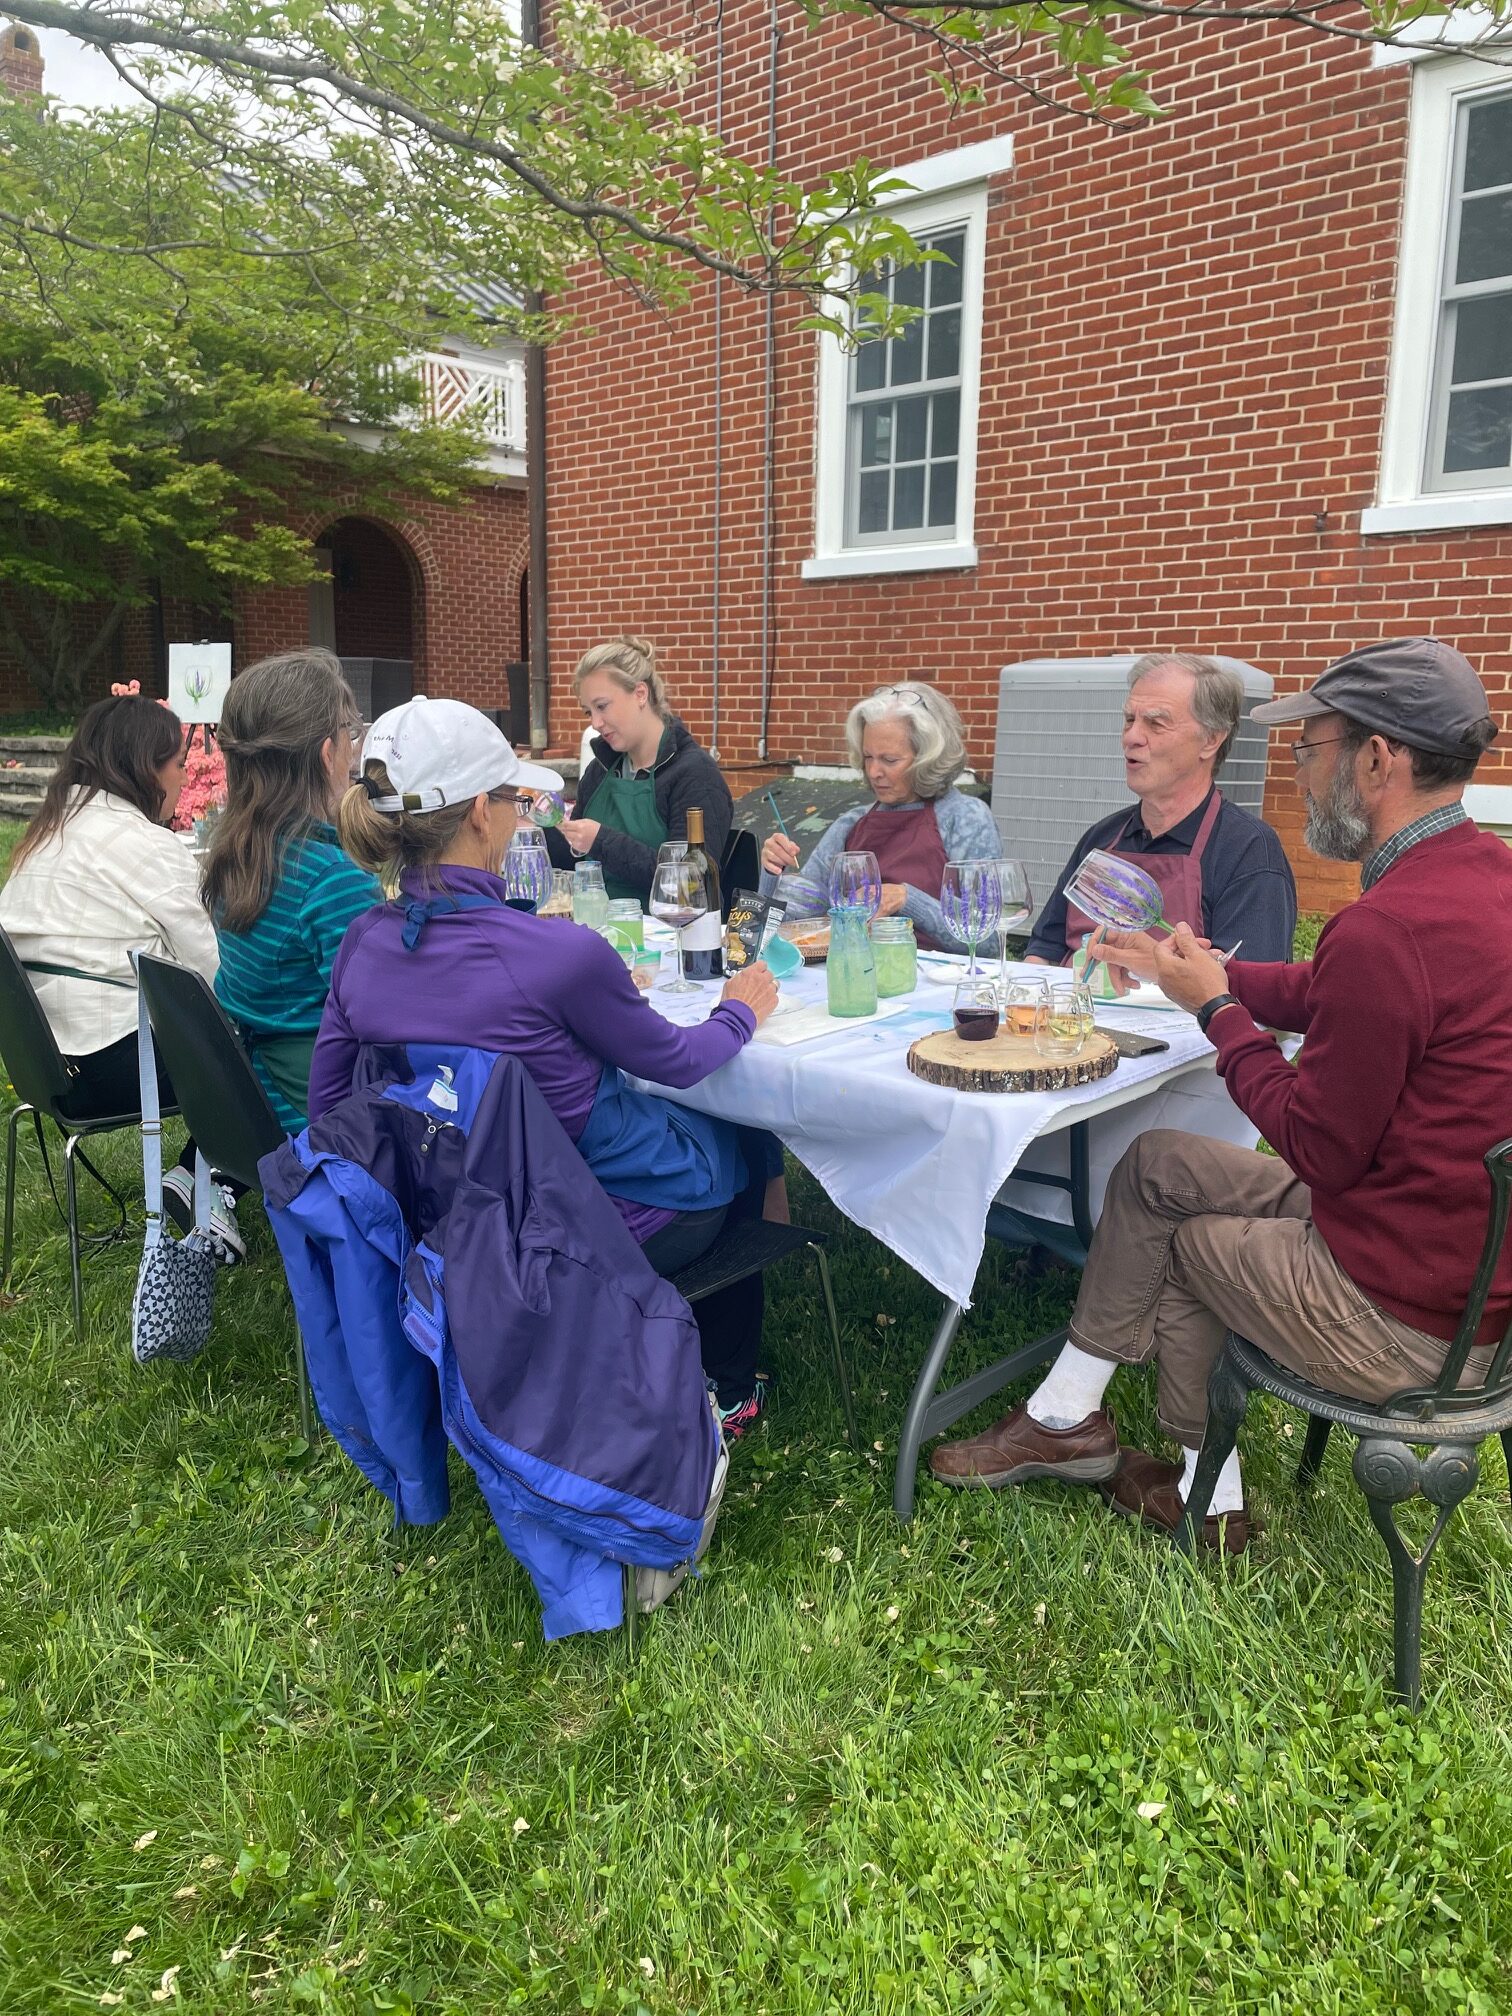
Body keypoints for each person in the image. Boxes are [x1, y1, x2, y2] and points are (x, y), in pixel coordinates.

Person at [929, 638, 1510, 1554]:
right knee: (1158, 1164)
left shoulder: (1387, 925)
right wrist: (1193, 973)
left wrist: (1219, 1013)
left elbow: (1317, 1150)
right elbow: (1331, 990)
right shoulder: (1480, 881)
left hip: (1406, 1321)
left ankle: (1215, 1501)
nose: (1303, 774)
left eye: (1311, 749)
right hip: (1445, 1254)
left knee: (1189, 1246)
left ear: (1378, 757)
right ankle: (1069, 1415)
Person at [311, 697, 783, 1437]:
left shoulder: (360, 945)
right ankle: (725, 1388)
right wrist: (741, 1009)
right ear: (478, 814)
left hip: (454, 1219)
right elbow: (683, 1062)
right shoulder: (557, 954)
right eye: (513, 798)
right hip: (592, 1223)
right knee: (750, 1138)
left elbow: (328, 1112)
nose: (519, 814)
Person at [0, 691, 242, 1255]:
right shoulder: (141, 844)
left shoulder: (50, 831)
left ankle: (198, 1177)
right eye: (180, 765)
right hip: (110, 1065)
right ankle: (206, 1182)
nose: (184, 780)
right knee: (263, 1036)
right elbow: (218, 974)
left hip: (46, 1068)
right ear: (146, 766)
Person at [1024, 653, 1297, 976]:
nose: (1131, 737)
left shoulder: (1247, 849)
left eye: (1155, 723)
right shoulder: (1101, 838)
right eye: (1129, 720)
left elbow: (1255, 992)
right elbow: (1043, 952)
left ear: (1211, 740)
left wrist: (1158, 966)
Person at [201, 649, 379, 1137]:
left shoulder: (237, 851)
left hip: (255, 1098)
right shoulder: (329, 879)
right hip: (324, 1121)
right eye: (351, 733)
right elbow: (388, 1018)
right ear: (327, 753)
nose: (355, 751)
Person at [758, 682, 999, 952]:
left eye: (890, 760)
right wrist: (773, 873)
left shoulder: (965, 818)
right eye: (868, 757)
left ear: (928, 758)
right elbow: (787, 922)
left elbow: (988, 940)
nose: (873, 771)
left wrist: (906, 899)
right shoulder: (851, 825)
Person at [544, 637, 732, 904]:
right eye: (589, 712)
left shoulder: (695, 777)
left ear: (640, 694)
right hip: (598, 932)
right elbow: (573, 860)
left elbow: (692, 885)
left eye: (602, 706)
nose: (596, 723)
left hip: (670, 938)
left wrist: (602, 841)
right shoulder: (599, 773)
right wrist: (539, 827)